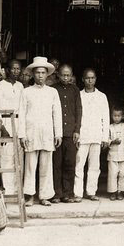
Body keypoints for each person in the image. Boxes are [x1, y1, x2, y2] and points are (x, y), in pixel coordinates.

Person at [18, 56, 62, 206]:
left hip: (47, 133)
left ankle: (44, 195)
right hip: (31, 132)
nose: (40, 75)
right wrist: (22, 134)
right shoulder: (26, 92)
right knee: (30, 165)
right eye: (37, 73)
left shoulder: (52, 92)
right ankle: (29, 195)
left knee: (46, 165)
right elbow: (21, 114)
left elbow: (57, 113)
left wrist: (58, 133)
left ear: (47, 74)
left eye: (43, 72)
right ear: (33, 74)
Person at [74, 68, 110, 201]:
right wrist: (76, 133)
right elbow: (76, 117)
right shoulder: (78, 95)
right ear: (83, 79)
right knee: (79, 165)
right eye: (87, 78)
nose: (90, 80)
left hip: (96, 135)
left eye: (92, 78)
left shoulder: (102, 96)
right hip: (82, 135)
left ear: (95, 79)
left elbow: (105, 118)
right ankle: (77, 193)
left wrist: (105, 137)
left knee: (94, 166)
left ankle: (91, 191)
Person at [0, 59, 25, 197]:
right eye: (13, 68)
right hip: (5, 122)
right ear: (7, 70)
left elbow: (23, 108)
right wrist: (1, 127)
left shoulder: (20, 86)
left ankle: (18, 190)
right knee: (6, 157)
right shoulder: (1, 86)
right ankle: (9, 190)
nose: (16, 71)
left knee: (18, 157)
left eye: (18, 69)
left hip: (19, 122)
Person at [52, 64, 82, 203]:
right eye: (63, 75)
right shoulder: (53, 89)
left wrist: (77, 130)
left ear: (71, 76)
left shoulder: (75, 90)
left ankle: (68, 193)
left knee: (69, 163)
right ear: (58, 75)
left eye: (68, 75)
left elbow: (78, 111)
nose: (65, 77)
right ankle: (56, 194)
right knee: (56, 163)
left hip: (70, 132)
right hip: (57, 133)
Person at [108, 107, 124, 200]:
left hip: (123, 154)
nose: (116, 118)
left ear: (122, 116)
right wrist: (112, 142)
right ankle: (113, 192)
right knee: (113, 174)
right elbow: (107, 139)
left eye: (118, 116)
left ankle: (120, 191)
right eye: (114, 116)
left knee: (123, 174)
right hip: (112, 155)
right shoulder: (109, 127)